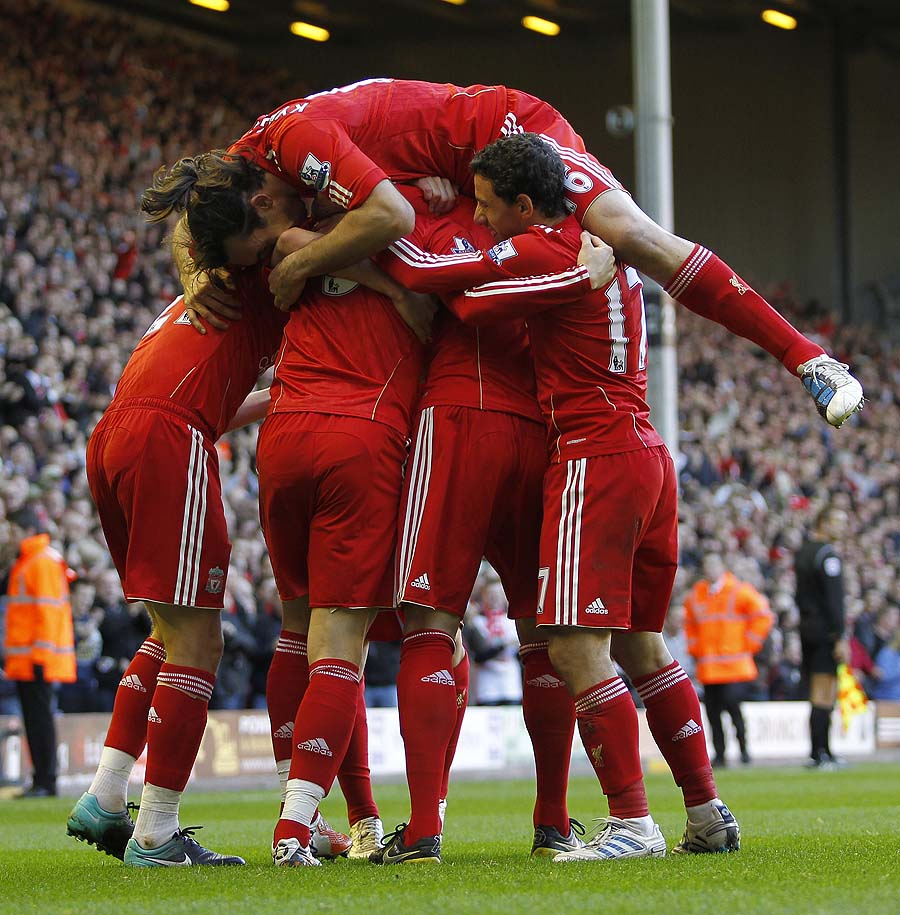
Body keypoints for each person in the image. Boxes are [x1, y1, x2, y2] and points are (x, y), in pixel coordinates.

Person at [382, 131, 741, 862]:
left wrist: (389, 216)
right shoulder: (611, 251)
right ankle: (706, 811)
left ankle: (631, 822)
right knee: (643, 643)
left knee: (572, 645)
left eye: (488, 205)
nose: (480, 218)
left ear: (524, 202)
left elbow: (466, 302)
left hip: (590, 454)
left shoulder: (551, 247)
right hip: (646, 451)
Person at [142, 78, 863, 430]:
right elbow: (188, 225)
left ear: (262, 201)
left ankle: (809, 358)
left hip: (506, 136)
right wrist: (199, 272)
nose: (268, 253)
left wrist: (298, 262)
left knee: (632, 238)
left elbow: (387, 217)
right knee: (460, 297)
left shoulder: (295, 146)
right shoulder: (240, 175)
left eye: (262, 241)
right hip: (458, 187)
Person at [65, 269, 290, 865]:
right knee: (199, 643)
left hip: (119, 430)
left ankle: (107, 794)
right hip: (167, 436)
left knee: (169, 632)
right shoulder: (269, 276)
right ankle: (157, 831)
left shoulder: (197, 296)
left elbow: (208, 403)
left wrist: (274, 399)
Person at [239, 222, 425, 867]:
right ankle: (295, 828)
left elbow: (286, 240)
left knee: (299, 629)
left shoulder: (307, 247)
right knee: (345, 641)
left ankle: (350, 816)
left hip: (284, 439)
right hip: (361, 439)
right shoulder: (418, 253)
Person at [3, 510, 76, 797]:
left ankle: (46, 781)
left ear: (27, 530)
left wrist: (40, 658)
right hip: (29, 658)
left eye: (14, 530)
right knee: (35, 720)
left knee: (40, 719)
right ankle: (41, 779)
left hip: (37, 659)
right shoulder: (32, 561)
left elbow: (48, 613)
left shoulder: (40, 562)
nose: (10, 536)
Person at [684, 554, 774, 766]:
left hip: (734, 666)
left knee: (733, 708)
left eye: (714, 565)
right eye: (707, 565)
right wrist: (695, 648)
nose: (710, 570)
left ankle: (743, 750)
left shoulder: (738, 591)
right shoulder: (697, 595)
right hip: (709, 667)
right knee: (713, 713)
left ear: (722, 567)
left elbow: (763, 616)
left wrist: (750, 643)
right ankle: (720, 754)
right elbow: (690, 624)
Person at [795, 505, 851, 769]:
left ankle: (820, 751)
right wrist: (839, 636)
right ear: (823, 523)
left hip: (807, 628)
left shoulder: (804, 553)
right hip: (824, 632)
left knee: (818, 690)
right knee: (824, 690)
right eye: (838, 521)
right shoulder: (827, 556)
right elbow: (834, 601)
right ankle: (821, 753)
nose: (842, 527)